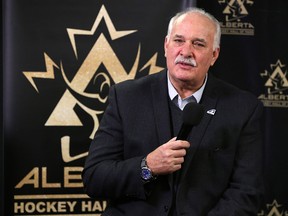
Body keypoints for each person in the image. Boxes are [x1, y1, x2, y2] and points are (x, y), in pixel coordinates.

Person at [82, 7, 264, 216]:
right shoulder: (125, 97)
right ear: (166, 46)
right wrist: (147, 166)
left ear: (214, 55)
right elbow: (95, 179)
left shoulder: (243, 108)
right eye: (179, 41)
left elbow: (247, 192)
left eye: (198, 44)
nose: (186, 52)